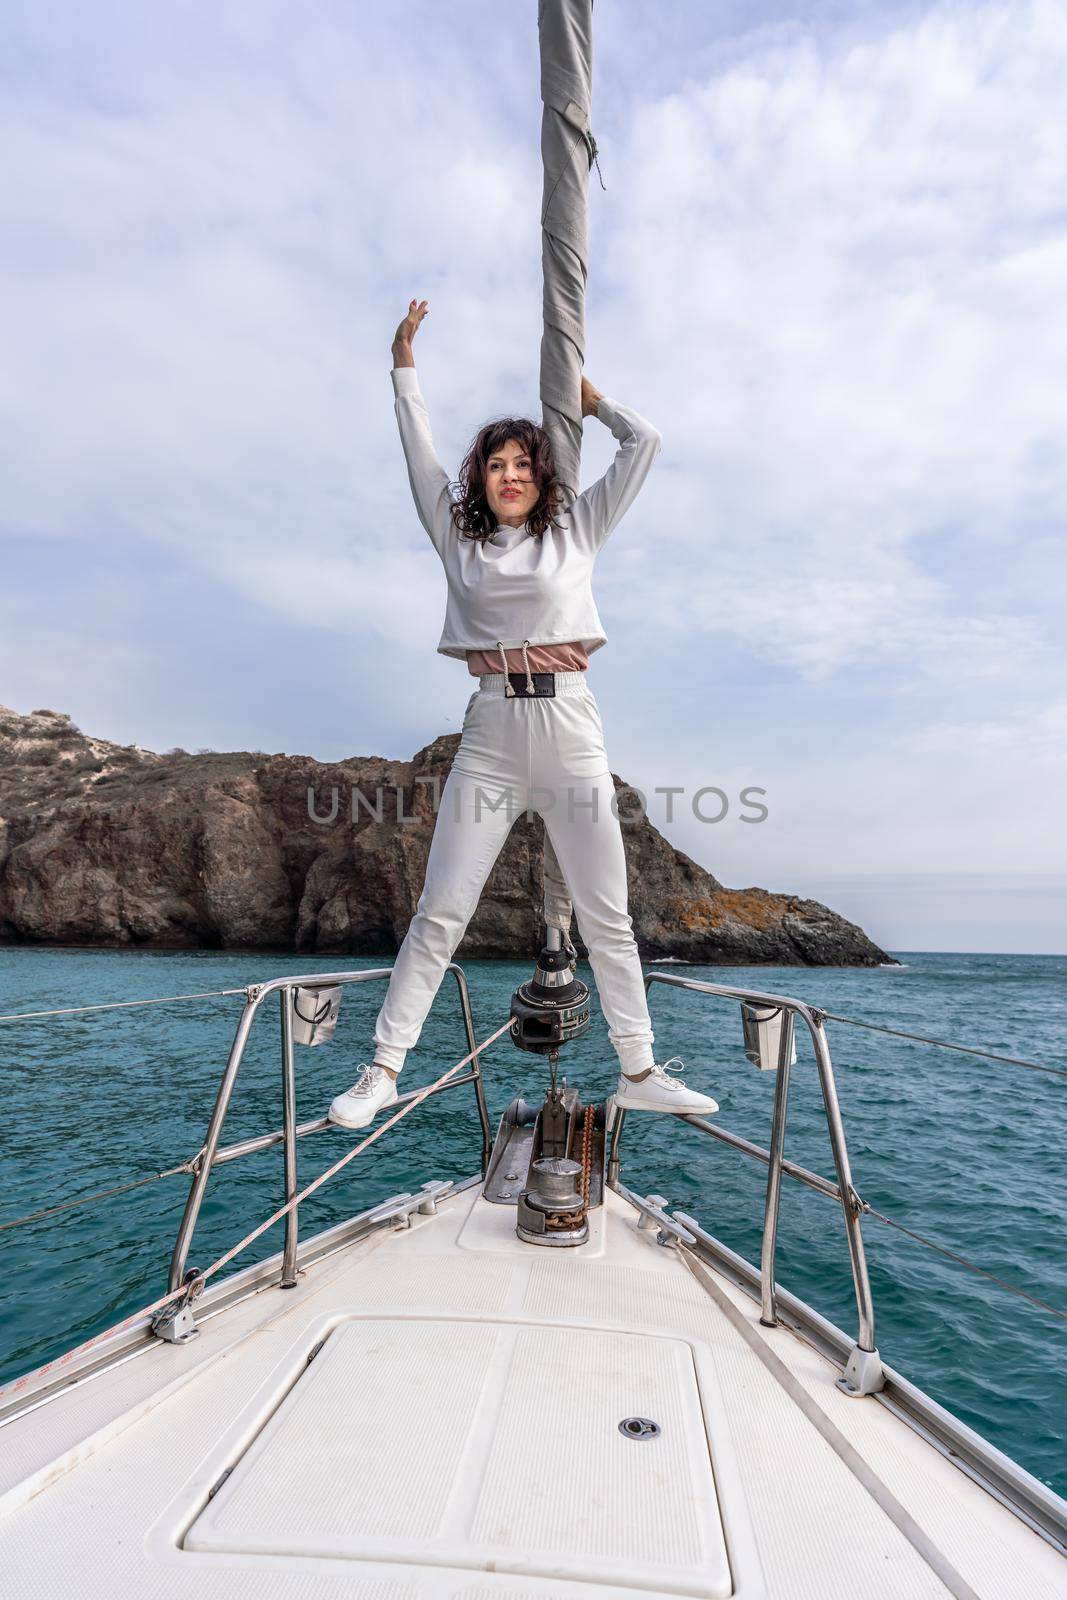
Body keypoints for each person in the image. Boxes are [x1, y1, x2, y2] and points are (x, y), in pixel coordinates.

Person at [327, 298, 718, 1130]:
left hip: (571, 726)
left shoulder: (576, 532)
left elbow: (644, 445)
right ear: (482, 479)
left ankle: (639, 1068)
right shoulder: (455, 537)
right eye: (496, 464)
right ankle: (382, 1070)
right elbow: (416, 451)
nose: (509, 474)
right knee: (441, 910)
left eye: (523, 465)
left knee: (605, 913)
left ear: (542, 479)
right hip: (491, 732)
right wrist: (402, 364)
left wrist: (594, 403)